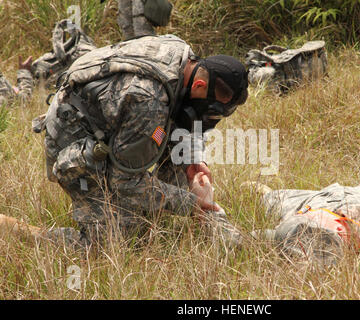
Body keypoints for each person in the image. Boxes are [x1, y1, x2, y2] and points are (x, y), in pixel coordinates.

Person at [31, 33, 248, 249]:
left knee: (166, 181)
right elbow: (125, 182)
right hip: (76, 141)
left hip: (117, 126)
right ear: (200, 85)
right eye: (212, 111)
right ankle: (22, 232)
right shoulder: (149, 102)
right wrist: (189, 203)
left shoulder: (185, 59)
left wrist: (193, 160)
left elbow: (185, 118)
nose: (209, 118)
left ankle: (149, 208)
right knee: (115, 242)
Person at [243, 149, 360, 265]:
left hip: (312, 203)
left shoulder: (292, 235)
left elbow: (253, 238)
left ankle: (268, 194)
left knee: (277, 201)